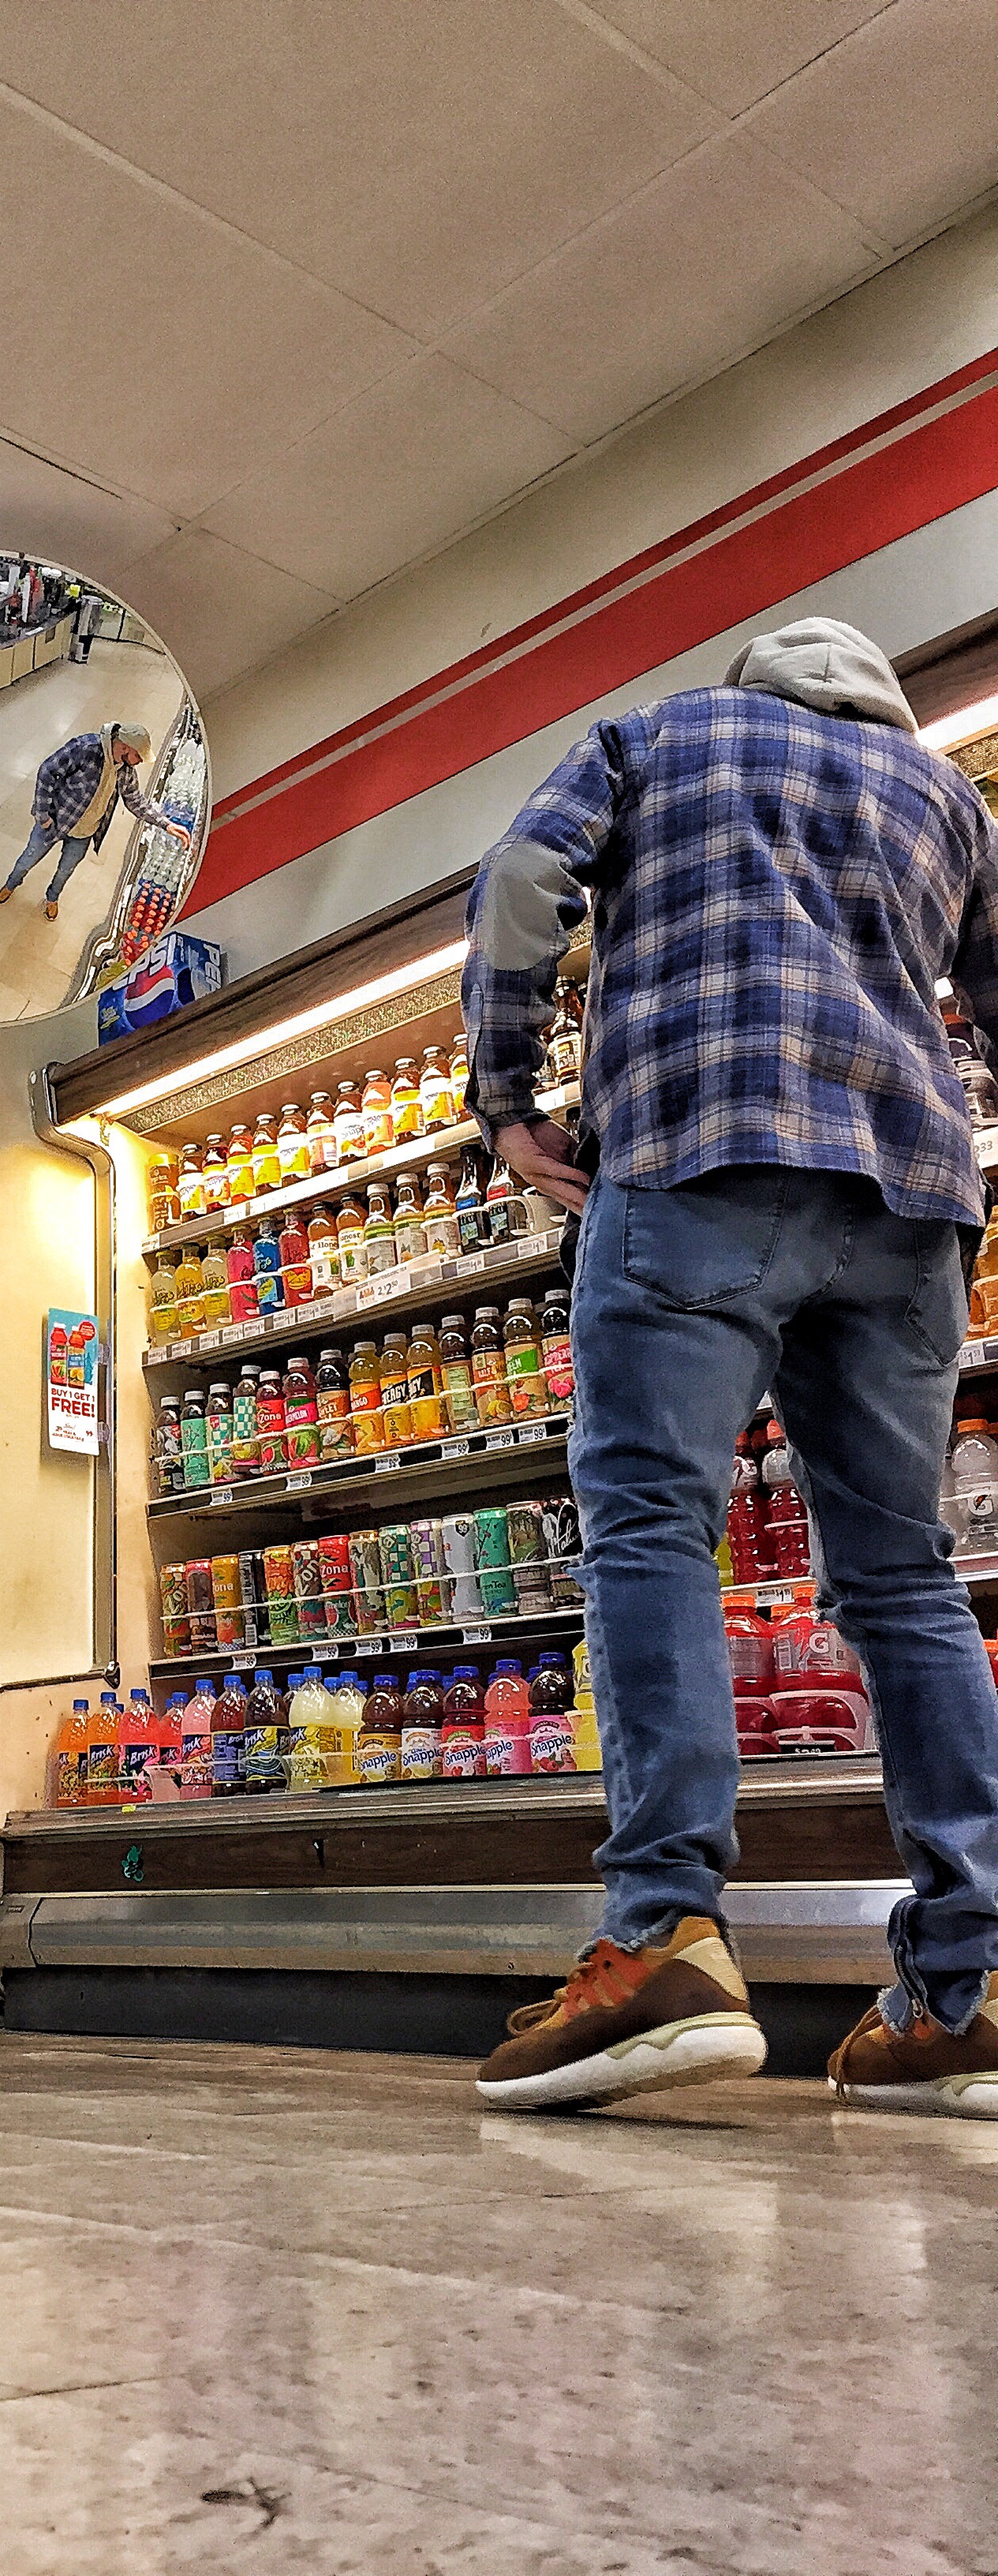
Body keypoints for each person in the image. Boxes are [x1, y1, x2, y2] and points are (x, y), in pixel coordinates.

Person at [462, 616, 998, 2117]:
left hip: (697, 1154)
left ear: (754, 685)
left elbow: (520, 878)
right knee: (901, 1580)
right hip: (909, 1202)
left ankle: (666, 1937)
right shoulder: (950, 802)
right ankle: (965, 1989)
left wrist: (505, 1096)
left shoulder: (659, 735)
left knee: (651, 1526)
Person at [0, 723, 191, 922]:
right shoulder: (85, 748)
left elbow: (135, 800)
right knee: (28, 859)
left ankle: (52, 898)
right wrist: (42, 815)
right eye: (138, 756)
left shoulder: (125, 771)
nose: (139, 762)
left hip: (84, 833)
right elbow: (48, 771)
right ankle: (11, 884)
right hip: (55, 821)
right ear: (125, 747)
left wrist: (166, 824)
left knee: (65, 870)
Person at [70, 586, 103, 662]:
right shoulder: (94, 604)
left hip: (84, 626)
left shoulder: (88, 604)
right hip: (85, 627)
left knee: (82, 640)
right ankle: (80, 657)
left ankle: (80, 657)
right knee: (83, 639)